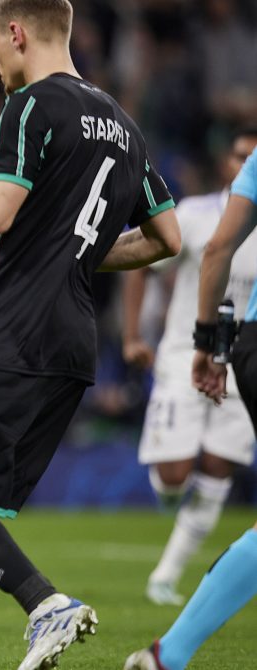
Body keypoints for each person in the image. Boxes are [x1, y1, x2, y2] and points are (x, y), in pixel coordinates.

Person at [0, 2, 182, 669]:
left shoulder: (29, 107)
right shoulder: (124, 127)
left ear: (17, 32)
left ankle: (46, 602)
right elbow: (167, 238)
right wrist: (69, 251)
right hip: (73, 344)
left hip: (6, 330)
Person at [124, 148, 257, 669]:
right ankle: (169, 653)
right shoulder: (196, 213)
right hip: (189, 354)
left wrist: (214, 344)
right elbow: (199, 252)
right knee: (175, 474)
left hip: (245, 344)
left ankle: (167, 642)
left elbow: (222, 249)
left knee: (220, 466)